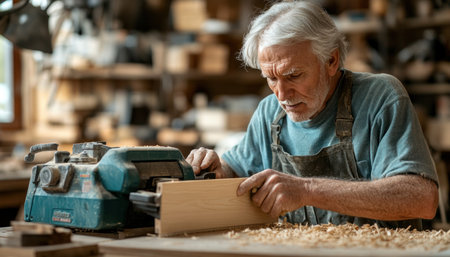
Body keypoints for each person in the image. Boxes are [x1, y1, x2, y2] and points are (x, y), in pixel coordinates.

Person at [186, 0, 439, 230]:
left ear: (331, 60)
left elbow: (422, 198)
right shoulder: (269, 113)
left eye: (293, 75)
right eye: (271, 78)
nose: (282, 94)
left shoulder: (380, 97)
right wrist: (216, 169)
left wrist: (307, 189)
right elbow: (236, 171)